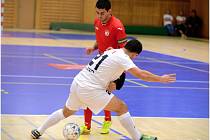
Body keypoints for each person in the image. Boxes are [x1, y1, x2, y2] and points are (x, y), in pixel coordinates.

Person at [31, 39, 176, 140]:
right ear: (135, 54)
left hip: (78, 82)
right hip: (90, 89)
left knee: (66, 112)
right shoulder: (124, 57)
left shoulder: (112, 51)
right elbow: (141, 74)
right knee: (122, 107)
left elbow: (107, 69)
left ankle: (39, 130)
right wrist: (160, 79)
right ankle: (137, 137)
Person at [83, 0, 127, 134]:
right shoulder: (97, 22)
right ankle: (87, 126)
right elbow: (100, 40)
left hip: (113, 65)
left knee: (102, 92)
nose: (99, 16)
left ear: (109, 11)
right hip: (100, 62)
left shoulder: (117, 26)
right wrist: (93, 47)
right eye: (97, 13)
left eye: (102, 13)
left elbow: (125, 50)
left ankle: (107, 120)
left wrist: (113, 51)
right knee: (89, 91)